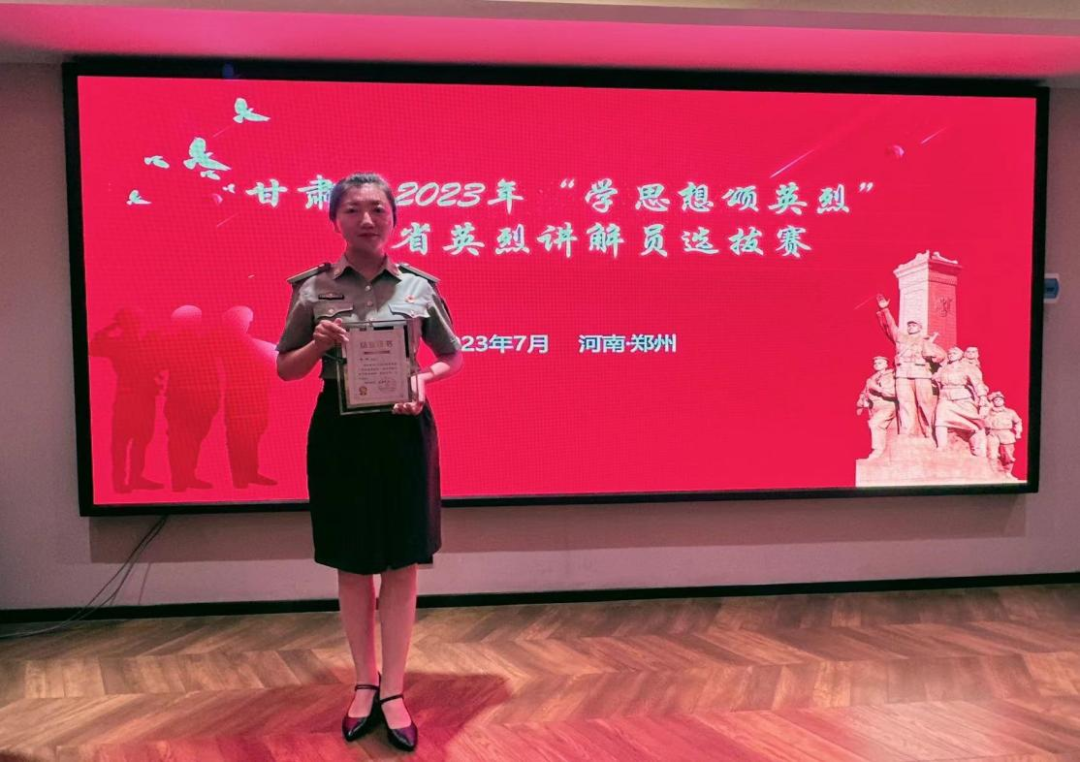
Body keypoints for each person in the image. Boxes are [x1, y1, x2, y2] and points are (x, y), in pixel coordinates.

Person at [276, 173, 463, 752]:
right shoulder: (312, 288)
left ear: (394, 219)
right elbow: (285, 368)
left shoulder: (419, 287)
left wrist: (422, 380)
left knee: (402, 562)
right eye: (353, 209)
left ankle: (394, 691)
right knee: (353, 562)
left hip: (404, 430)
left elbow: (451, 356)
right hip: (341, 433)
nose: (366, 219)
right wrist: (318, 343)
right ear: (335, 219)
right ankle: (364, 681)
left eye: (378, 209)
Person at [89, 307, 163, 493]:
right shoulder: (122, 344)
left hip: (142, 397)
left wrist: (109, 329)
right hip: (131, 398)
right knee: (124, 441)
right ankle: (122, 482)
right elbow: (92, 349)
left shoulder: (133, 343)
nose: (137, 325)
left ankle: (132, 479)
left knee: (139, 439)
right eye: (134, 321)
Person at [875, 295, 946, 437]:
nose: (911, 327)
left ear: (920, 328)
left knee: (925, 403)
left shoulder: (925, 341)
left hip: (921, 374)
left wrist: (932, 356)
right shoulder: (901, 337)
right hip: (902, 374)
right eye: (909, 325)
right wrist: (885, 310)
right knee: (905, 403)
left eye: (914, 325)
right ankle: (907, 433)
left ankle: (929, 432)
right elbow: (890, 326)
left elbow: (941, 355)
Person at [931, 346, 988, 455]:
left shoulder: (967, 368)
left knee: (974, 423)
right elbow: (936, 380)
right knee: (940, 420)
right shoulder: (944, 368)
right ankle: (941, 446)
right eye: (950, 353)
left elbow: (977, 383)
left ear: (961, 355)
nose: (951, 355)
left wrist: (982, 397)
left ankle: (977, 448)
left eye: (954, 353)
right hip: (945, 398)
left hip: (963, 399)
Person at [856, 356, 897, 459]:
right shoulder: (871, 378)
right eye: (875, 363)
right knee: (875, 425)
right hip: (874, 408)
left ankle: (878, 450)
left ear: (886, 365)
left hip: (887, 405)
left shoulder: (891, 375)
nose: (877, 365)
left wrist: (876, 388)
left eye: (880, 363)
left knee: (875, 424)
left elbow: (893, 393)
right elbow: (864, 392)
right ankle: (881, 451)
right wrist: (861, 401)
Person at [985, 391, 1023, 476]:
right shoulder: (988, 412)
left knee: (1007, 456)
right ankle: (993, 474)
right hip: (992, 434)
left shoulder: (1010, 412)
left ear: (1003, 401)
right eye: (996, 400)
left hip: (1006, 434)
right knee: (992, 455)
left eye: (1000, 400)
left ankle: (1007, 472)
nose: (998, 401)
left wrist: (1018, 432)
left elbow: (1018, 422)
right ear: (993, 402)